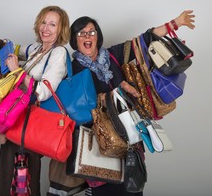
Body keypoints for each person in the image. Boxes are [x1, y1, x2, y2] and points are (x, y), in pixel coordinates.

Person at [69, 10, 195, 196]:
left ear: (98, 36)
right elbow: (71, 108)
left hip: (130, 137)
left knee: (132, 189)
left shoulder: (112, 55)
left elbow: (144, 40)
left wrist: (175, 23)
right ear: (75, 39)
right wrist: (108, 98)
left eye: (92, 32)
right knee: (105, 190)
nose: (87, 36)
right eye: (82, 33)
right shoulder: (71, 70)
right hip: (100, 142)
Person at [0, 5, 70, 196]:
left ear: (61, 29)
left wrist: (17, 71)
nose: (46, 28)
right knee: (7, 174)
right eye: (44, 22)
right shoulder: (36, 49)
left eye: (52, 24)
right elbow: (10, 49)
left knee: (22, 181)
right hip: (16, 119)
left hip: (31, 125)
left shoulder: (58, 53)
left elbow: (43, 91)